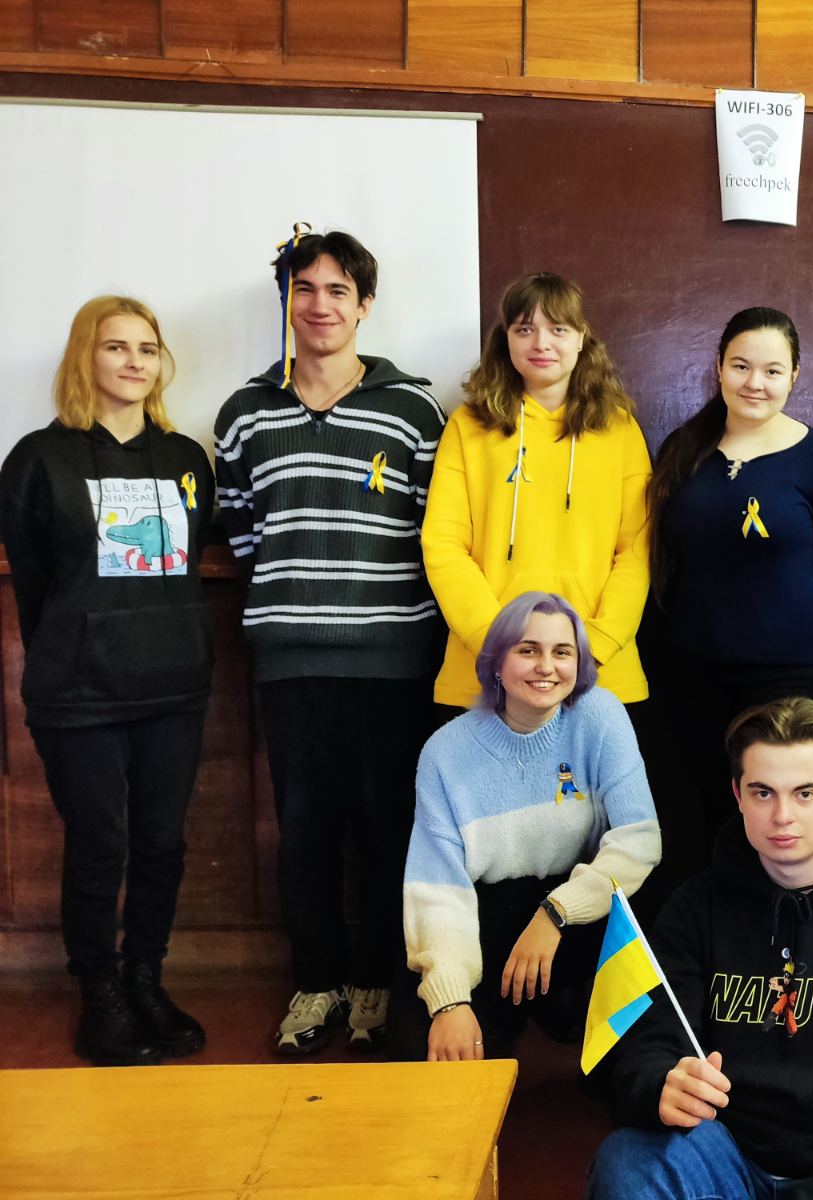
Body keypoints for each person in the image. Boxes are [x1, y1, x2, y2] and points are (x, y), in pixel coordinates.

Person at [214, 229, 446, 1055]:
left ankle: (376, 982)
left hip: (392, 661)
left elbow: (433, 532)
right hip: (291, 661)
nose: (319, 304)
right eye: (304, 288)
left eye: (338, 290)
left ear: (365, 305)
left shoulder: (413, 409)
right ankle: (315, 983)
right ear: (287, 300)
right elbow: (243, 533)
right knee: (303, 831)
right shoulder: (244, 414)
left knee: (388, 828)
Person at [588, 697, 813, 1200]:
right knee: (627, 1161)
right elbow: (649, 1043)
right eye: (763, 793)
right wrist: (660, 1084)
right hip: (722, 1153)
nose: (782, 816)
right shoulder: (695, 907)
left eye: (805, 793)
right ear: (737, 794)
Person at [0, 296, 214, 1066]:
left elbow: (191, 563)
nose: (134, 361)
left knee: (161, 844)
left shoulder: (186, 459)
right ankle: (101, 995)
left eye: (147, 349)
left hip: (173, 689)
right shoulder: (38, 459)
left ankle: (145, 978)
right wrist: (72, 650)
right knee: (100, 845)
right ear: (84, 357)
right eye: (116, 346)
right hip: (78, 694)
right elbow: (33, 582)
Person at [390, 591, 661, 1061]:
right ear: (497, 661)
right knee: (413, 1043)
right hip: (487, 912)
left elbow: (639, 840)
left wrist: (555, 912)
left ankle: (562, 1005)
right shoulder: (445, 751)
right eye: (528, 650)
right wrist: (450, 1001)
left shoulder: (601, 715)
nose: (546, 667)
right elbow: (438, 888)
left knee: (639, 1045)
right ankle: (505, 1010)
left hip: (577, 908)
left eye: (562, 652)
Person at [646, 308, 813, 850]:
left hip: (788, 677)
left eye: (772, 371)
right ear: (718, 367)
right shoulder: (684, 449)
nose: (754, 383)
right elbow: (664, 558)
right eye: (741, 366)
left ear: (794, 375)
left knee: (777, 819)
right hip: (691, 670)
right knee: (702, 813)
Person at [422, 273, 650, 716]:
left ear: (581, 338)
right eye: (524, 328)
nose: (541, 343)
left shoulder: (620, 429)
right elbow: (443, 545)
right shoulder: (468, 426)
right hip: (485, 672)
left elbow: (639, 550)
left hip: (599, 674)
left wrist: (595, 646)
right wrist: (497, 646)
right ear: (505, 339)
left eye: (558, 329)